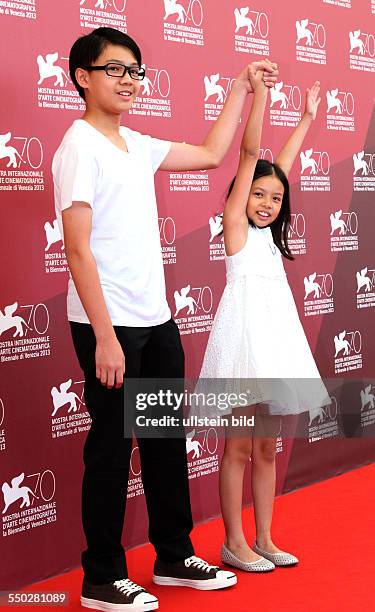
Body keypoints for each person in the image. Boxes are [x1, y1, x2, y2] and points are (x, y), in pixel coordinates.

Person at [52, 26, 278, 611]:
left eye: (135, 71)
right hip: (110, 327)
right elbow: (76, 250)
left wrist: (238, 89)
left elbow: (209, 153)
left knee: (163, 440)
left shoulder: (136, 144)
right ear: (82, 77)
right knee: (109, 447)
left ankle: (174, 555)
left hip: (156, 322)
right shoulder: (79, 146)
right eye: (115, 70)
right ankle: (101, 576)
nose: (128, 80)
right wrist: (104, 336)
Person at [196, 70, 329, 572]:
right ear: (240, 195)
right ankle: (234, 542)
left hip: (273, 344)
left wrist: (306, 121)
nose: (267, 203)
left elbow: (282, 167)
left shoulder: (272, 236)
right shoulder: (236, 227)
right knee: (236, 450)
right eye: (258, 195)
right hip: (241, 346)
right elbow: (252, 156)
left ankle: (265, 538)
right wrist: (262, 97)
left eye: (275, 198)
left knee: (267, 448)